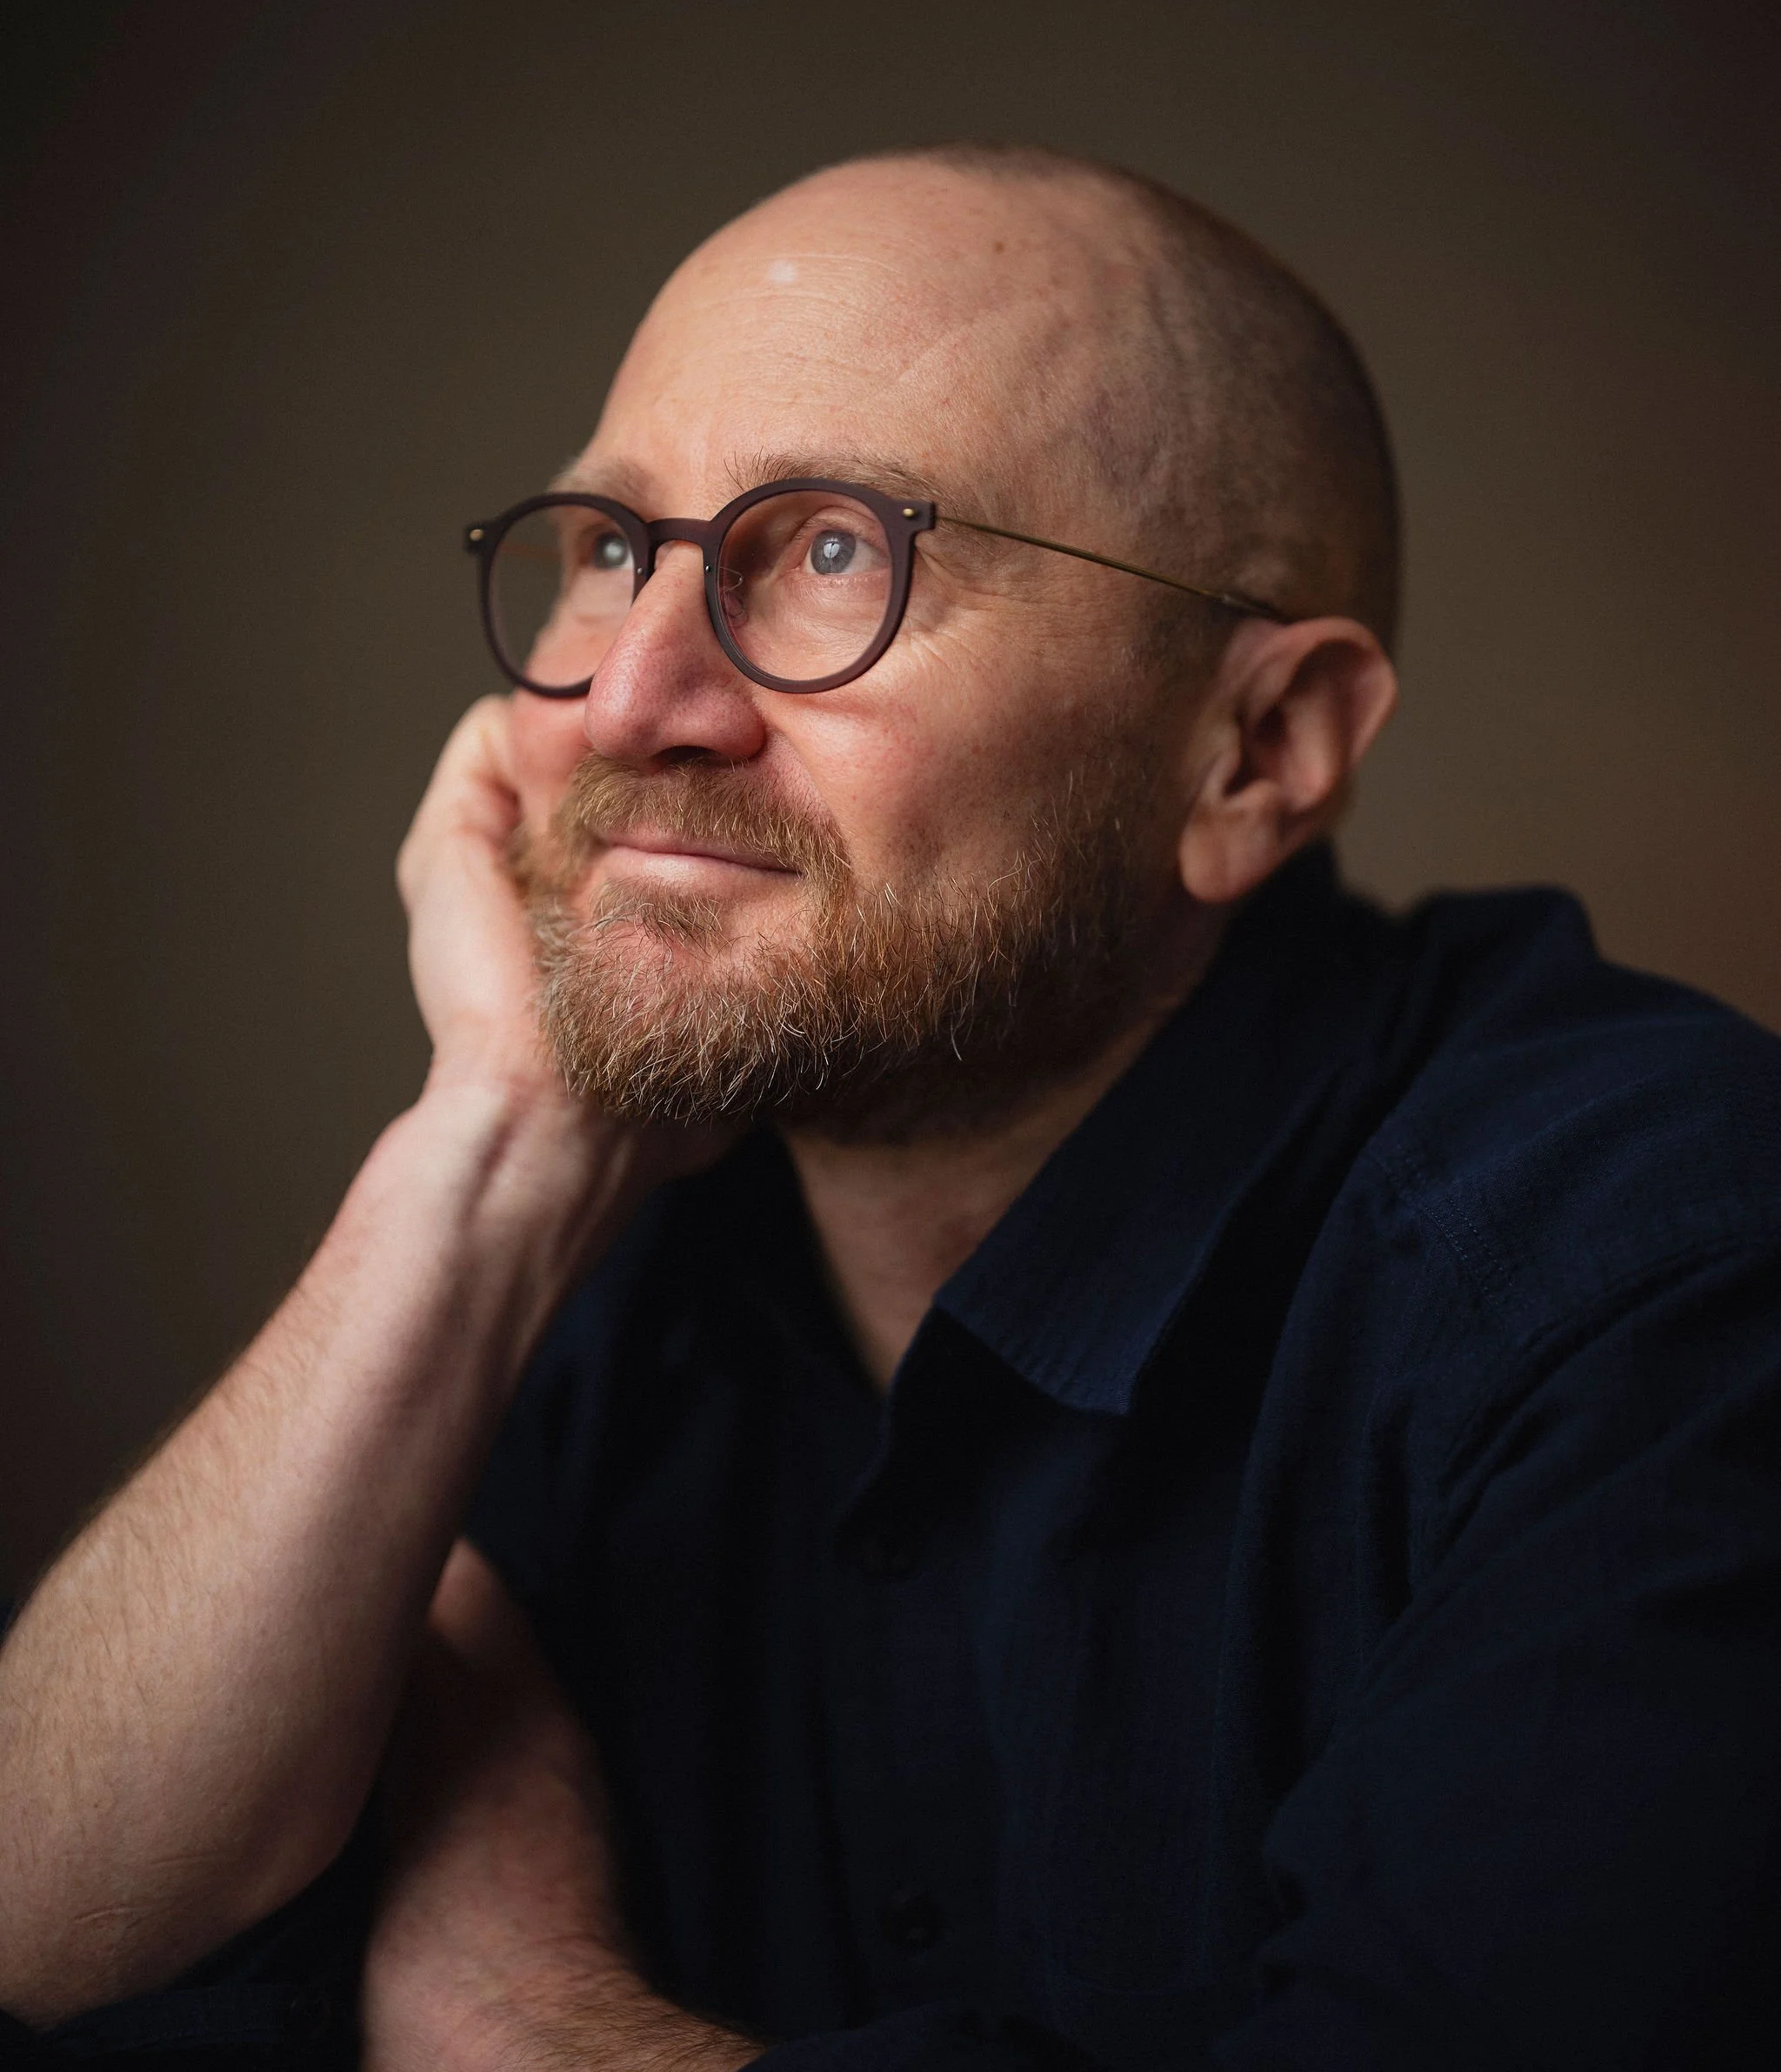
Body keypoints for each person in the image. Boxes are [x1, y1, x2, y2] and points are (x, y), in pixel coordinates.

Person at [2, 143, 1778, 2072]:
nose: (631, 701)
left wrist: (509, 2018)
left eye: (838, 547)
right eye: (611, 546)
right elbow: (47, 1933)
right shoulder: (595, 1270)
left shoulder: (1660, 1284)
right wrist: (490, 1145)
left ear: (1256, 746)